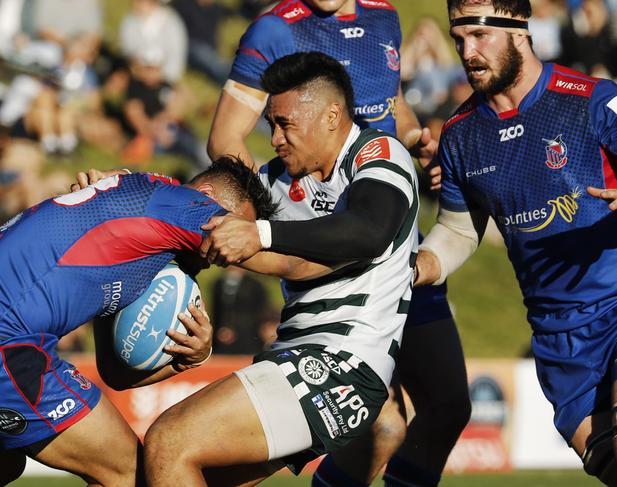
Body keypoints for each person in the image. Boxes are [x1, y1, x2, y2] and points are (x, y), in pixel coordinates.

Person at [207, 1, 471, 485]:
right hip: (329, 246)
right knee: (379, 423)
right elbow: (226, 140)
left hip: (394, 239)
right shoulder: (273, 28)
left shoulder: (384, 16)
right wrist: (280, 217)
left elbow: (387, 102)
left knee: (447, 405)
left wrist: (412, 135)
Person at [142, 51, 420, 487]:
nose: (273, 138)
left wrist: (261, 235)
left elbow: (368, 231)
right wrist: (121, 191)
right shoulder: (279, 178)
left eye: (284, 123)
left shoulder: (378, 155)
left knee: (170, 441)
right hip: (291, 356)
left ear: (331, 116)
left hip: (340, 364)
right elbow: (200, 208)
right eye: (270, 124)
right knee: (173, 471)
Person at [0, 157, 281, 486]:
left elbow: (113, 374)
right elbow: (278, 256)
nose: (224, 255)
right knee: (130, 473)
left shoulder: (137, 239)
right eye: (239, 228)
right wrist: (336, 248)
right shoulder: (177, 202)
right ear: (204, 195)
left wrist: (187, 360)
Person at [414, 0, 617, 485]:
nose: (467, 51)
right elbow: (461, 231)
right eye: (458, 39)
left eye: (480, 36)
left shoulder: (592, 99)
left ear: (520, 31)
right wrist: (418, 266)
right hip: (559, 340)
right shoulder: (460, 136)